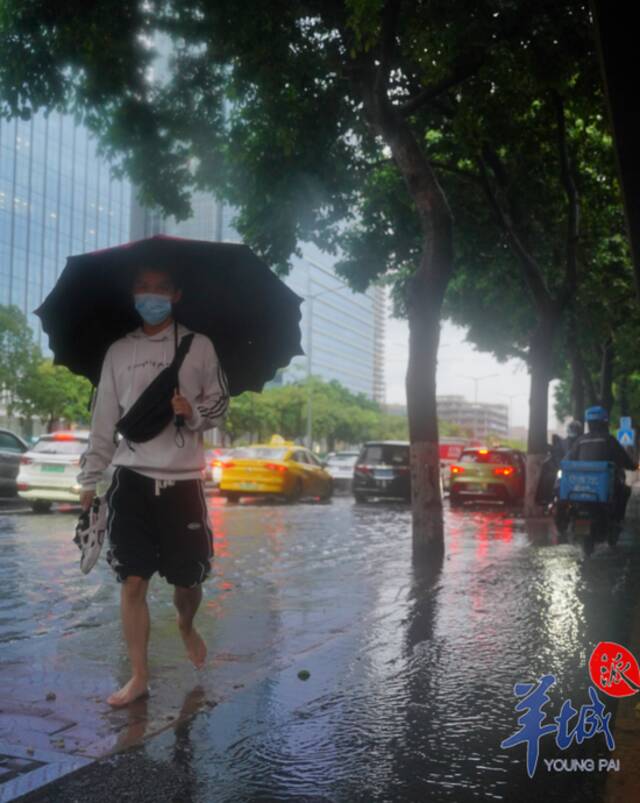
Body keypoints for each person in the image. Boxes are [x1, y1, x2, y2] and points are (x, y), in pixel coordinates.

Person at [78, 265, 229, 707]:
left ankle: (185, 624)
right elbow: (103, 419)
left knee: (188, 582)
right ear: (133, 294)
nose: (151, 295)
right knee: (133, 581)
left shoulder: (198, 346)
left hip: (183, 484)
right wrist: (90, 479)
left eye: (161, 288)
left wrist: (192, 412)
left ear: (176, 294)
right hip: (132, 479)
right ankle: (140, 676)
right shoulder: (118, 351)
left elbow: (220, 407)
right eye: (143, 288)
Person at [566, 406, 636, 521]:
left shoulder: (580, 440)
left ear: (588, 423)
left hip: (580, 487)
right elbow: (623, 459)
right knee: (625, 491)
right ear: (605, 423)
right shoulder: (609, 440)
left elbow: (570, 459)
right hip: (603, 490)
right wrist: (633, 466)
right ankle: (617, 522)